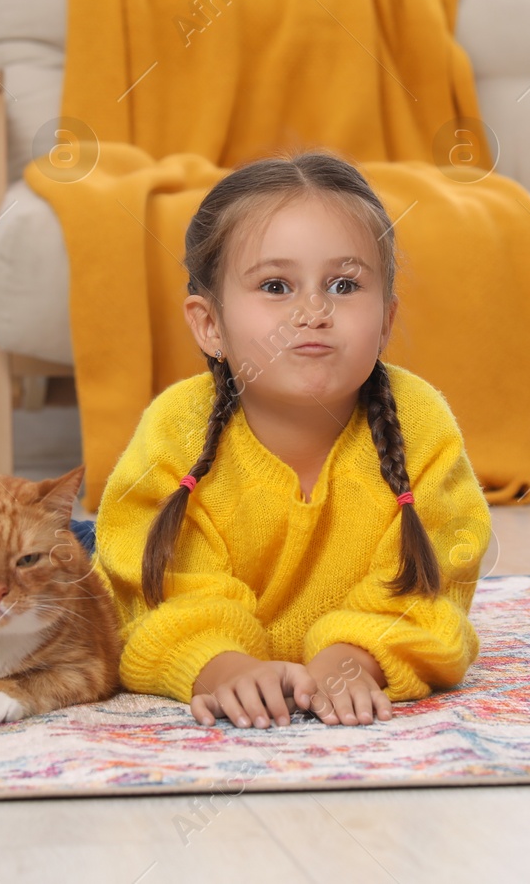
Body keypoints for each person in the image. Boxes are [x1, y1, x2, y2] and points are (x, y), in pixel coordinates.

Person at [82, 150, 493, 731]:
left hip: (356, 623)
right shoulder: (176, 426)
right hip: (119, 551)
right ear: (210, 325)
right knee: (60, 576)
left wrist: (355, 656)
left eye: (344, 285)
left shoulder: (419, 421)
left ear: (385, 320)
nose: (314, 311)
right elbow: (148, 592)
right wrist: (219, 666)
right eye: (276, 285)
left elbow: (437, 590)